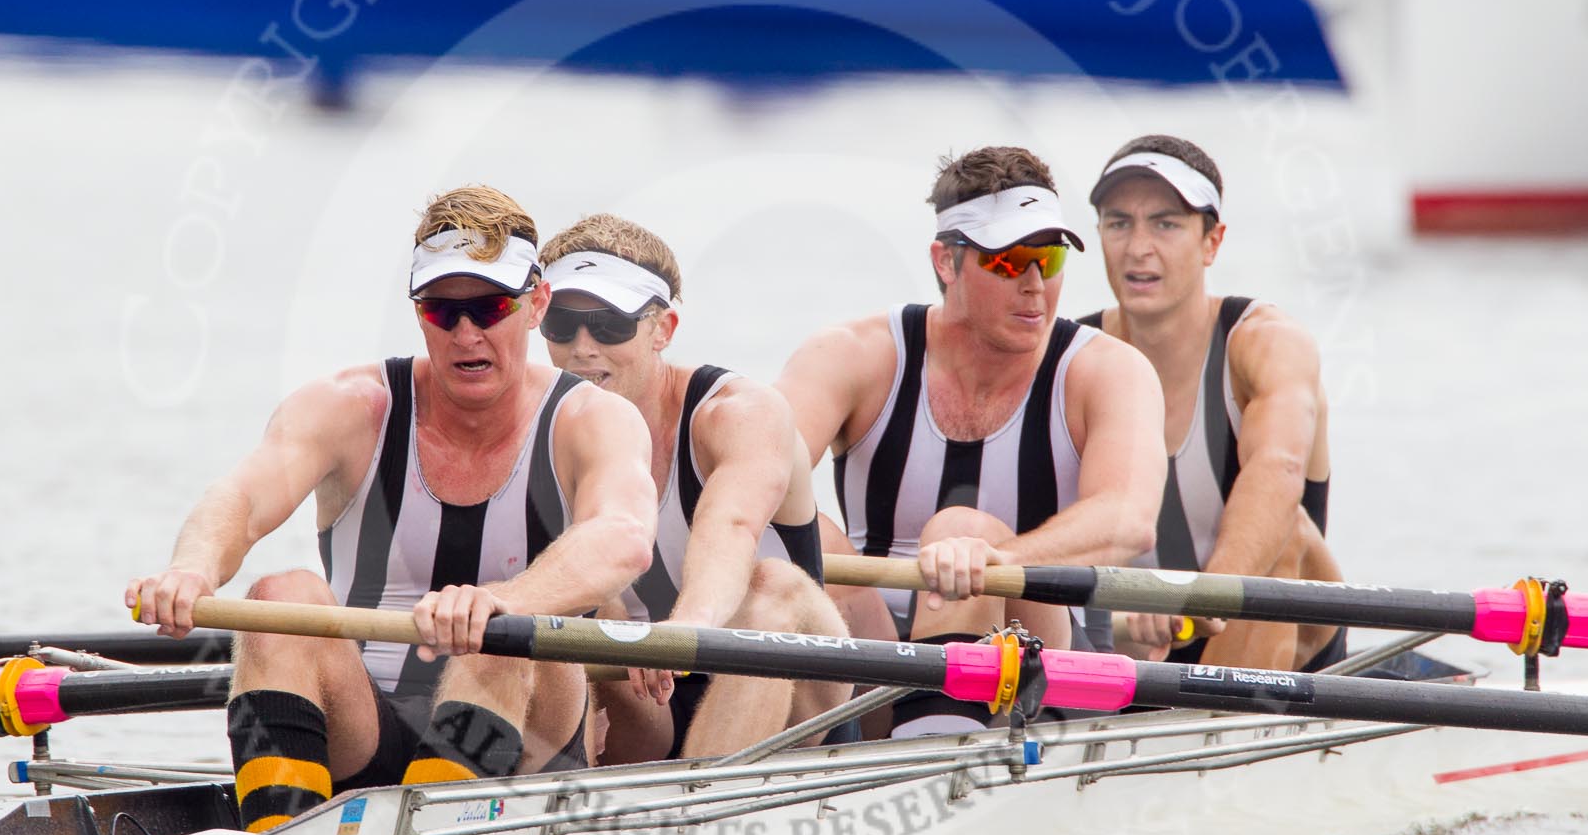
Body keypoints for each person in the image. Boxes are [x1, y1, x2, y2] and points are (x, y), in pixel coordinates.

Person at [127, 186, 656, 833]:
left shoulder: (591, 419)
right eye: (442, 310)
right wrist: (193, 569)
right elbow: (241, 497)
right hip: (369, 725)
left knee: (499, 636)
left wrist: (506, 600)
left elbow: (623, 537)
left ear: (535, 303)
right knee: (280, 596)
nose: (466, 333)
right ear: (419, 310)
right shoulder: (350, 406)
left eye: (488, 307)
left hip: (528, 734)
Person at [777, 146, 1166, 738]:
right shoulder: (853, 355)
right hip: (873, 641)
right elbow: (750, 481)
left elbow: (1129, 519)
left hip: (1044, 651)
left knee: (963, 530)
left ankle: (924, 758)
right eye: (1009, 262)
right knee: (803, 531)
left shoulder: (1108, 371)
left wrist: (999, 559)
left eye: (1050, 257)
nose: (1036, 285)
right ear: (946, 261)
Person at [536, 215, 852, 762]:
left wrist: (686, 629)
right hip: (647, 702)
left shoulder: (738, 412)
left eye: (610, 325)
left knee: (771, 586)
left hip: (793, 692)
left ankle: (695, 811)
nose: (583, 348)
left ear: (664, 329)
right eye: (562, 324)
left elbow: (730, 528)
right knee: (565, 601)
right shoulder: (539, 430)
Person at [1079, 135, 1344, 671]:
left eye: (1166, 223)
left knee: (1283, 527)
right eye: (1118, 223)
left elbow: (1279, 468)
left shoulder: (1266, 343)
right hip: (1135, 632)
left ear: (1212, 242)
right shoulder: (1074, 356)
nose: (1138, 248)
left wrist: (1202, 599)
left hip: (1284, 639)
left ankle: (1233, 727)